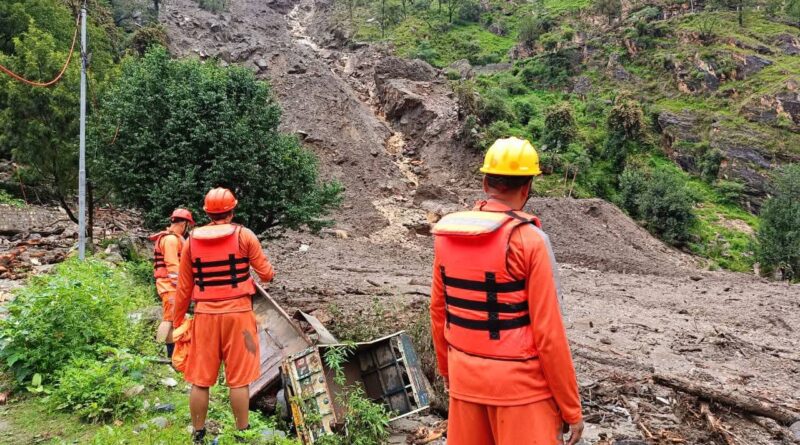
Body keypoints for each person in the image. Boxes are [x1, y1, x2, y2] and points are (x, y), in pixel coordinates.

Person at [429, 137, 584, 445]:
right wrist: (571, 409)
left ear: (486, 181)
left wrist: (448, 373)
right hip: (521, 392)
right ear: (527, 188)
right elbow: (548, 334)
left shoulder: (447, 236)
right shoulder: (531, 241)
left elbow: (438, 311)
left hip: (464, 380)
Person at [173, 187, 275, 444]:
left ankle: (198, 434)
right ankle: (242, 433)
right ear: (232, 210)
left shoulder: (192, 240)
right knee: (239, 380)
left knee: (200, 379)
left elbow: (184, 287)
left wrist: (177, 322)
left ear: (207, 212)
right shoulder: (245, 235)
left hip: (205, 316)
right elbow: (266, 274)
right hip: (239, 315)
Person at [150, 208, 195, 359]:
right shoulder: (170, 240)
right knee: (168, 320)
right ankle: (158, 354)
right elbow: (172, 265)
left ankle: (169, 356)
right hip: (169, 286)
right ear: (184, 224)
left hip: (169, 285)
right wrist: (181, 286)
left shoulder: (170, 238)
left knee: (171, 320)